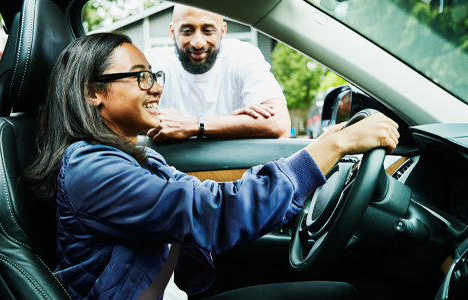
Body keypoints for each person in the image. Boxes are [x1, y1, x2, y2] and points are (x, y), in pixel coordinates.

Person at [25, 32, 399, 300]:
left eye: (154, 75)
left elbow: (204, 198)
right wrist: (334, 146)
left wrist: (318, 152)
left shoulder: (135, 153)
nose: (155, 87)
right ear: (93, 92)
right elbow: (214, 213)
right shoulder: (92, 169)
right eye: (140, 76)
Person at [144, 5, 292, 142]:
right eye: (187, 31)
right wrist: (232, 124)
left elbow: (279, 124)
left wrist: (192, 125)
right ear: (172, 31)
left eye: (208, 30)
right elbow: (125, 122)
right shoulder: (153, 62)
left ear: (223, 30)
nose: (198, 43)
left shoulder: (243, 55)